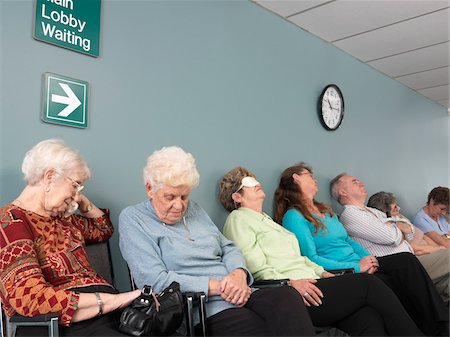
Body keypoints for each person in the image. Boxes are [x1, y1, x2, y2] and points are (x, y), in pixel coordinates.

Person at [118, 146, 316, 336]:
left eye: (184, 196)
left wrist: (239, 275)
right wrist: (222, 286)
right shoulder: (133, 218)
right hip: (201, 309)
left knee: (287, 297)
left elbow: (228, 248)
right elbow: (154, 281)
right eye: (170, 197)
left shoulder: (194, 210)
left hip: (241, 293)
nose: (179, 205)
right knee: (266, 329)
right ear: (150, 189)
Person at [218, 166, 424, 337]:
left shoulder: (268, 221)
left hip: (314, 281)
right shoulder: (238, 219)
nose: (256, 184)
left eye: (255, 181)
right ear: (237, 196)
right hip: (296, 293)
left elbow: (300, 259)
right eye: (249, 184)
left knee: (367, 318)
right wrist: (290, 284)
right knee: (368, 283)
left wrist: (322, 272)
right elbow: (255, 269)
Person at [0, 139, 141, 337]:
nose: (75, 196)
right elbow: (29, 297)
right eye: (76, 185)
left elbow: (103, 228)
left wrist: (79, 199)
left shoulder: (64, 218)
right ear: (49, 177)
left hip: (106, 312)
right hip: (62, 323)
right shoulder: (9, 222)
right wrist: (108, 301)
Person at [330, 172, 449, 336]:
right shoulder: (350, 214)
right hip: (393, 263)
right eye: (354, 181)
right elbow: (392, 237)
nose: (360, 182)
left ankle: (443, 325)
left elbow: (412, 232)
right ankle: (443, 325)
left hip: (409, 259)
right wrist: (396, 227)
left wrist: (397, 228)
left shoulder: (373, 212)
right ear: (343, 192)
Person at [368, 191, 449, 302]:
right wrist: (440, 249)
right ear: (385, 213)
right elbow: (415, 249)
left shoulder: (401, 219)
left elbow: (424, 238)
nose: (400, 208)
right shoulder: (391, 227)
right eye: (395, 208)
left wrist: (439, 248)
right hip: (419, 260)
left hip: (431, 253)